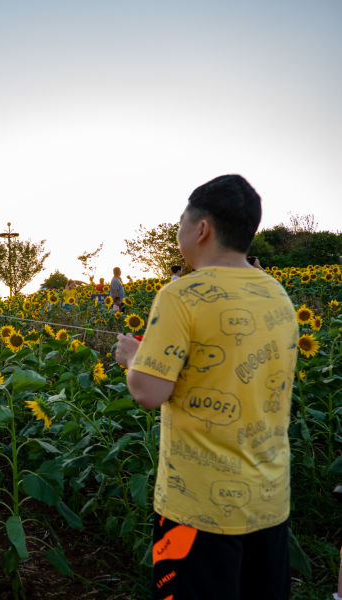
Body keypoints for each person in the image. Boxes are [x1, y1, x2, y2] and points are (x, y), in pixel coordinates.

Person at [115, 174, 297, 600]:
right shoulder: (277, 295)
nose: (179, 232)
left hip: (197, 509)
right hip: (268, 501)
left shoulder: (181, 295)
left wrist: (131, 359)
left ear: (201, 229)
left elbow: (147, 393)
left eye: (181, 222)